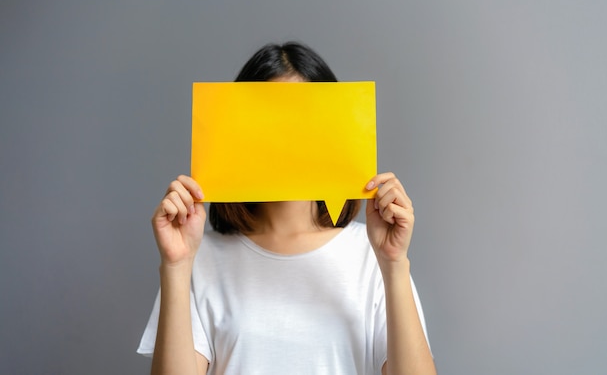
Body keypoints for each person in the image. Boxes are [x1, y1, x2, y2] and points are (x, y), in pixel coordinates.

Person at [137, 42, 437, 375]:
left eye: (303, 121)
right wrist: (176, 266)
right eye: (269, 120)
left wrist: (394, 265)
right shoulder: (200, 259)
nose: (286, 141)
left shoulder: (373, 257)